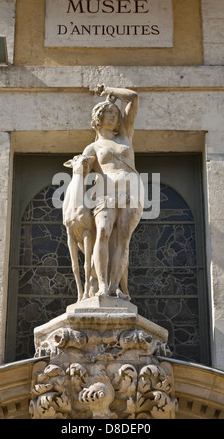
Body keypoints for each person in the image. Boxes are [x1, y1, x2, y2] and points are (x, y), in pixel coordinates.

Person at [82, 84, 143, 299]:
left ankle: (114, 288)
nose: (112, 116)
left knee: (122, 239)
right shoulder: (92, 148)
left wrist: (109, 90)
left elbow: (133, 98)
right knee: (104, 232)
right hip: (105, 193)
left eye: (115, 113)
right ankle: (100, 285)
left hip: (131, 193)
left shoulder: (125, 135)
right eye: (107, 112)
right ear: (97, 118)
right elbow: (79, 178)